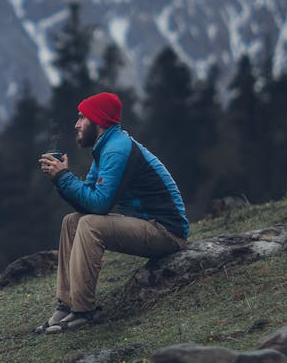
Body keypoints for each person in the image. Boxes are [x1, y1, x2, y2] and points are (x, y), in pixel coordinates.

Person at [36, 91, 189, 332]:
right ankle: (65, 306)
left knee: (90, 224)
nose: (76, 124)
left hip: (167, 232)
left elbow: (99, 205)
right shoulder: (105, 147)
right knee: (72, 222)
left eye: (82, 118)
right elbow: (88, 200)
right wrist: (61, 178)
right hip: (143, 223)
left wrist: (63, 177)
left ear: (98, 120)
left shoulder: (117, 149)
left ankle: (83, 312)